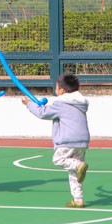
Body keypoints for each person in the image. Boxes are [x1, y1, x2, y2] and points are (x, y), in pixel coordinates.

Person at [22, 73, 90, 208]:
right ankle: (78, 199)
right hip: (82, 141)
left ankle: (78, 166)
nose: (55, 89)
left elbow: (42, 113)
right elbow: (57, 112)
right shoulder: (79, 103)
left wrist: (30, 104)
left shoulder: (60, 104)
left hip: (68, 140)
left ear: (62, 90)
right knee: (73, 172)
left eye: (56, 87)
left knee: (59, 160)